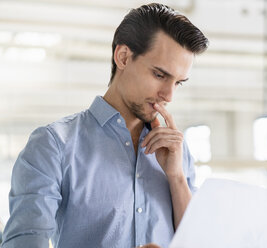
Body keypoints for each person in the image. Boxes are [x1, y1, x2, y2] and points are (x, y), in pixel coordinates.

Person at [1, 3, 208, 248]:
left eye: (178, 83)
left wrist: (176, 178)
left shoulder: (178, 152)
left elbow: (196, 241)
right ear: (123, 57)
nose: (168, 95)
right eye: (160, 75)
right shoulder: (53, 145)